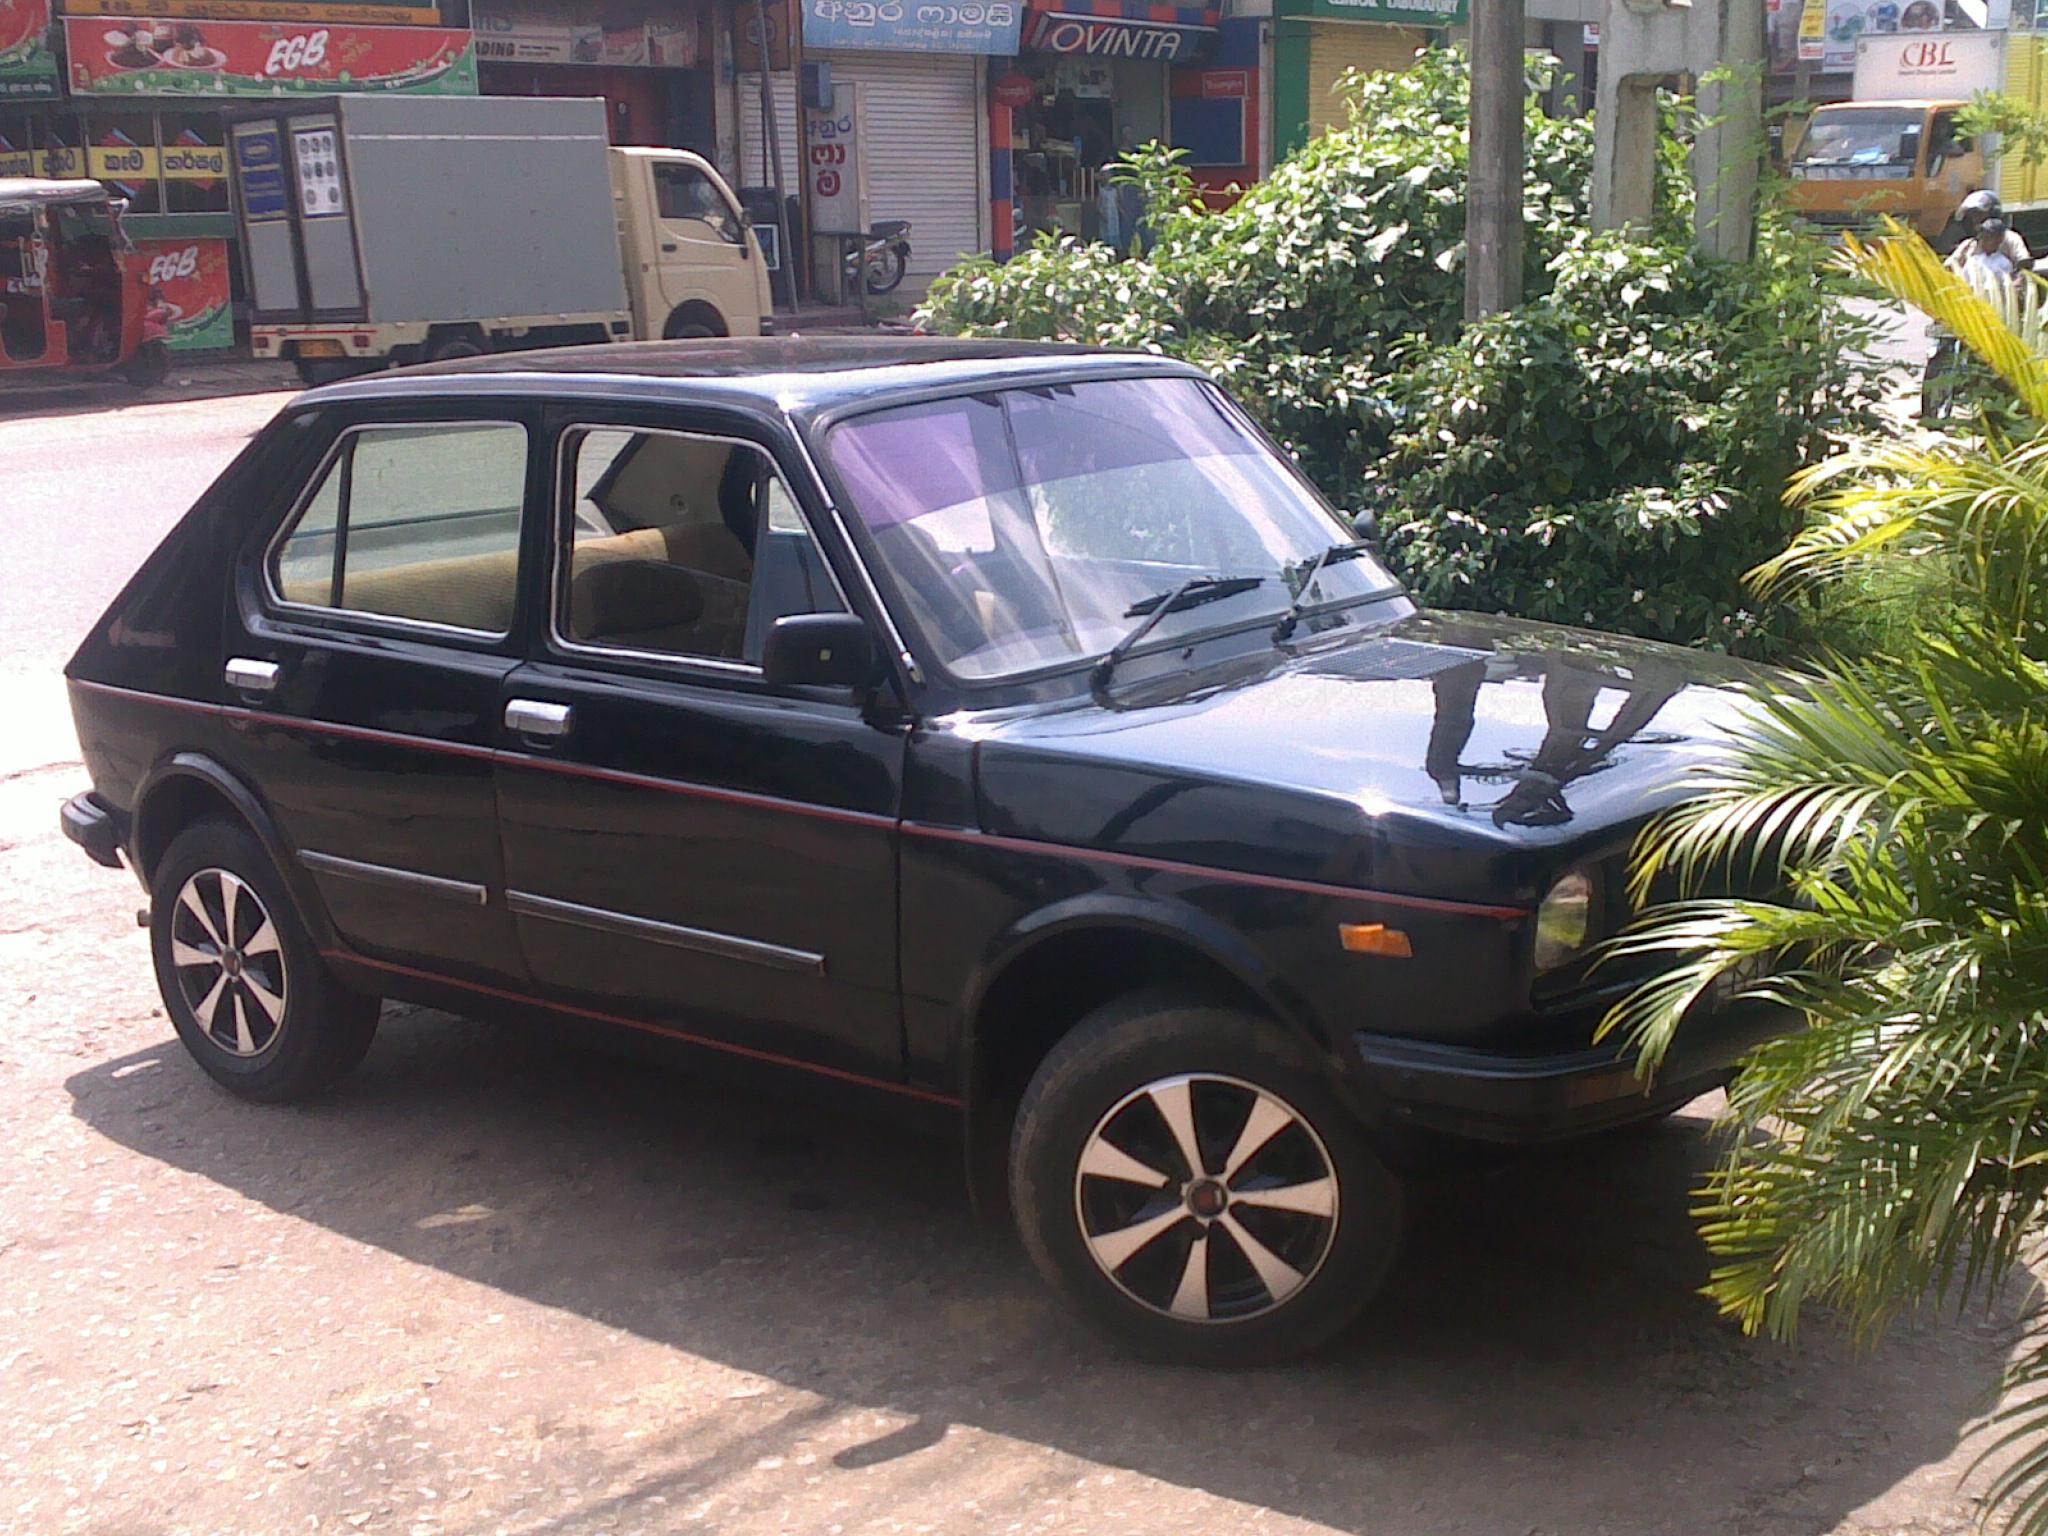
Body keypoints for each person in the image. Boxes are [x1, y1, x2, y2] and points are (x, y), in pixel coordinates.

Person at [1947, 190, 2029, 272]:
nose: (1975, 219)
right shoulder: (1969, 244)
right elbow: (1950, 264)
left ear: (1993, 213)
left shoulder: (2011, 239)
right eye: (1973, 215)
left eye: (1979, 214)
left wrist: (2015, 279)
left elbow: (2024, 263)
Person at [1962, 217, 2020, 286]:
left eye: (1988, 237)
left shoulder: (2003, 263)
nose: (1983, 240)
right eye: (1983, 236)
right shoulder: (1972, 261)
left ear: (1999, 239)